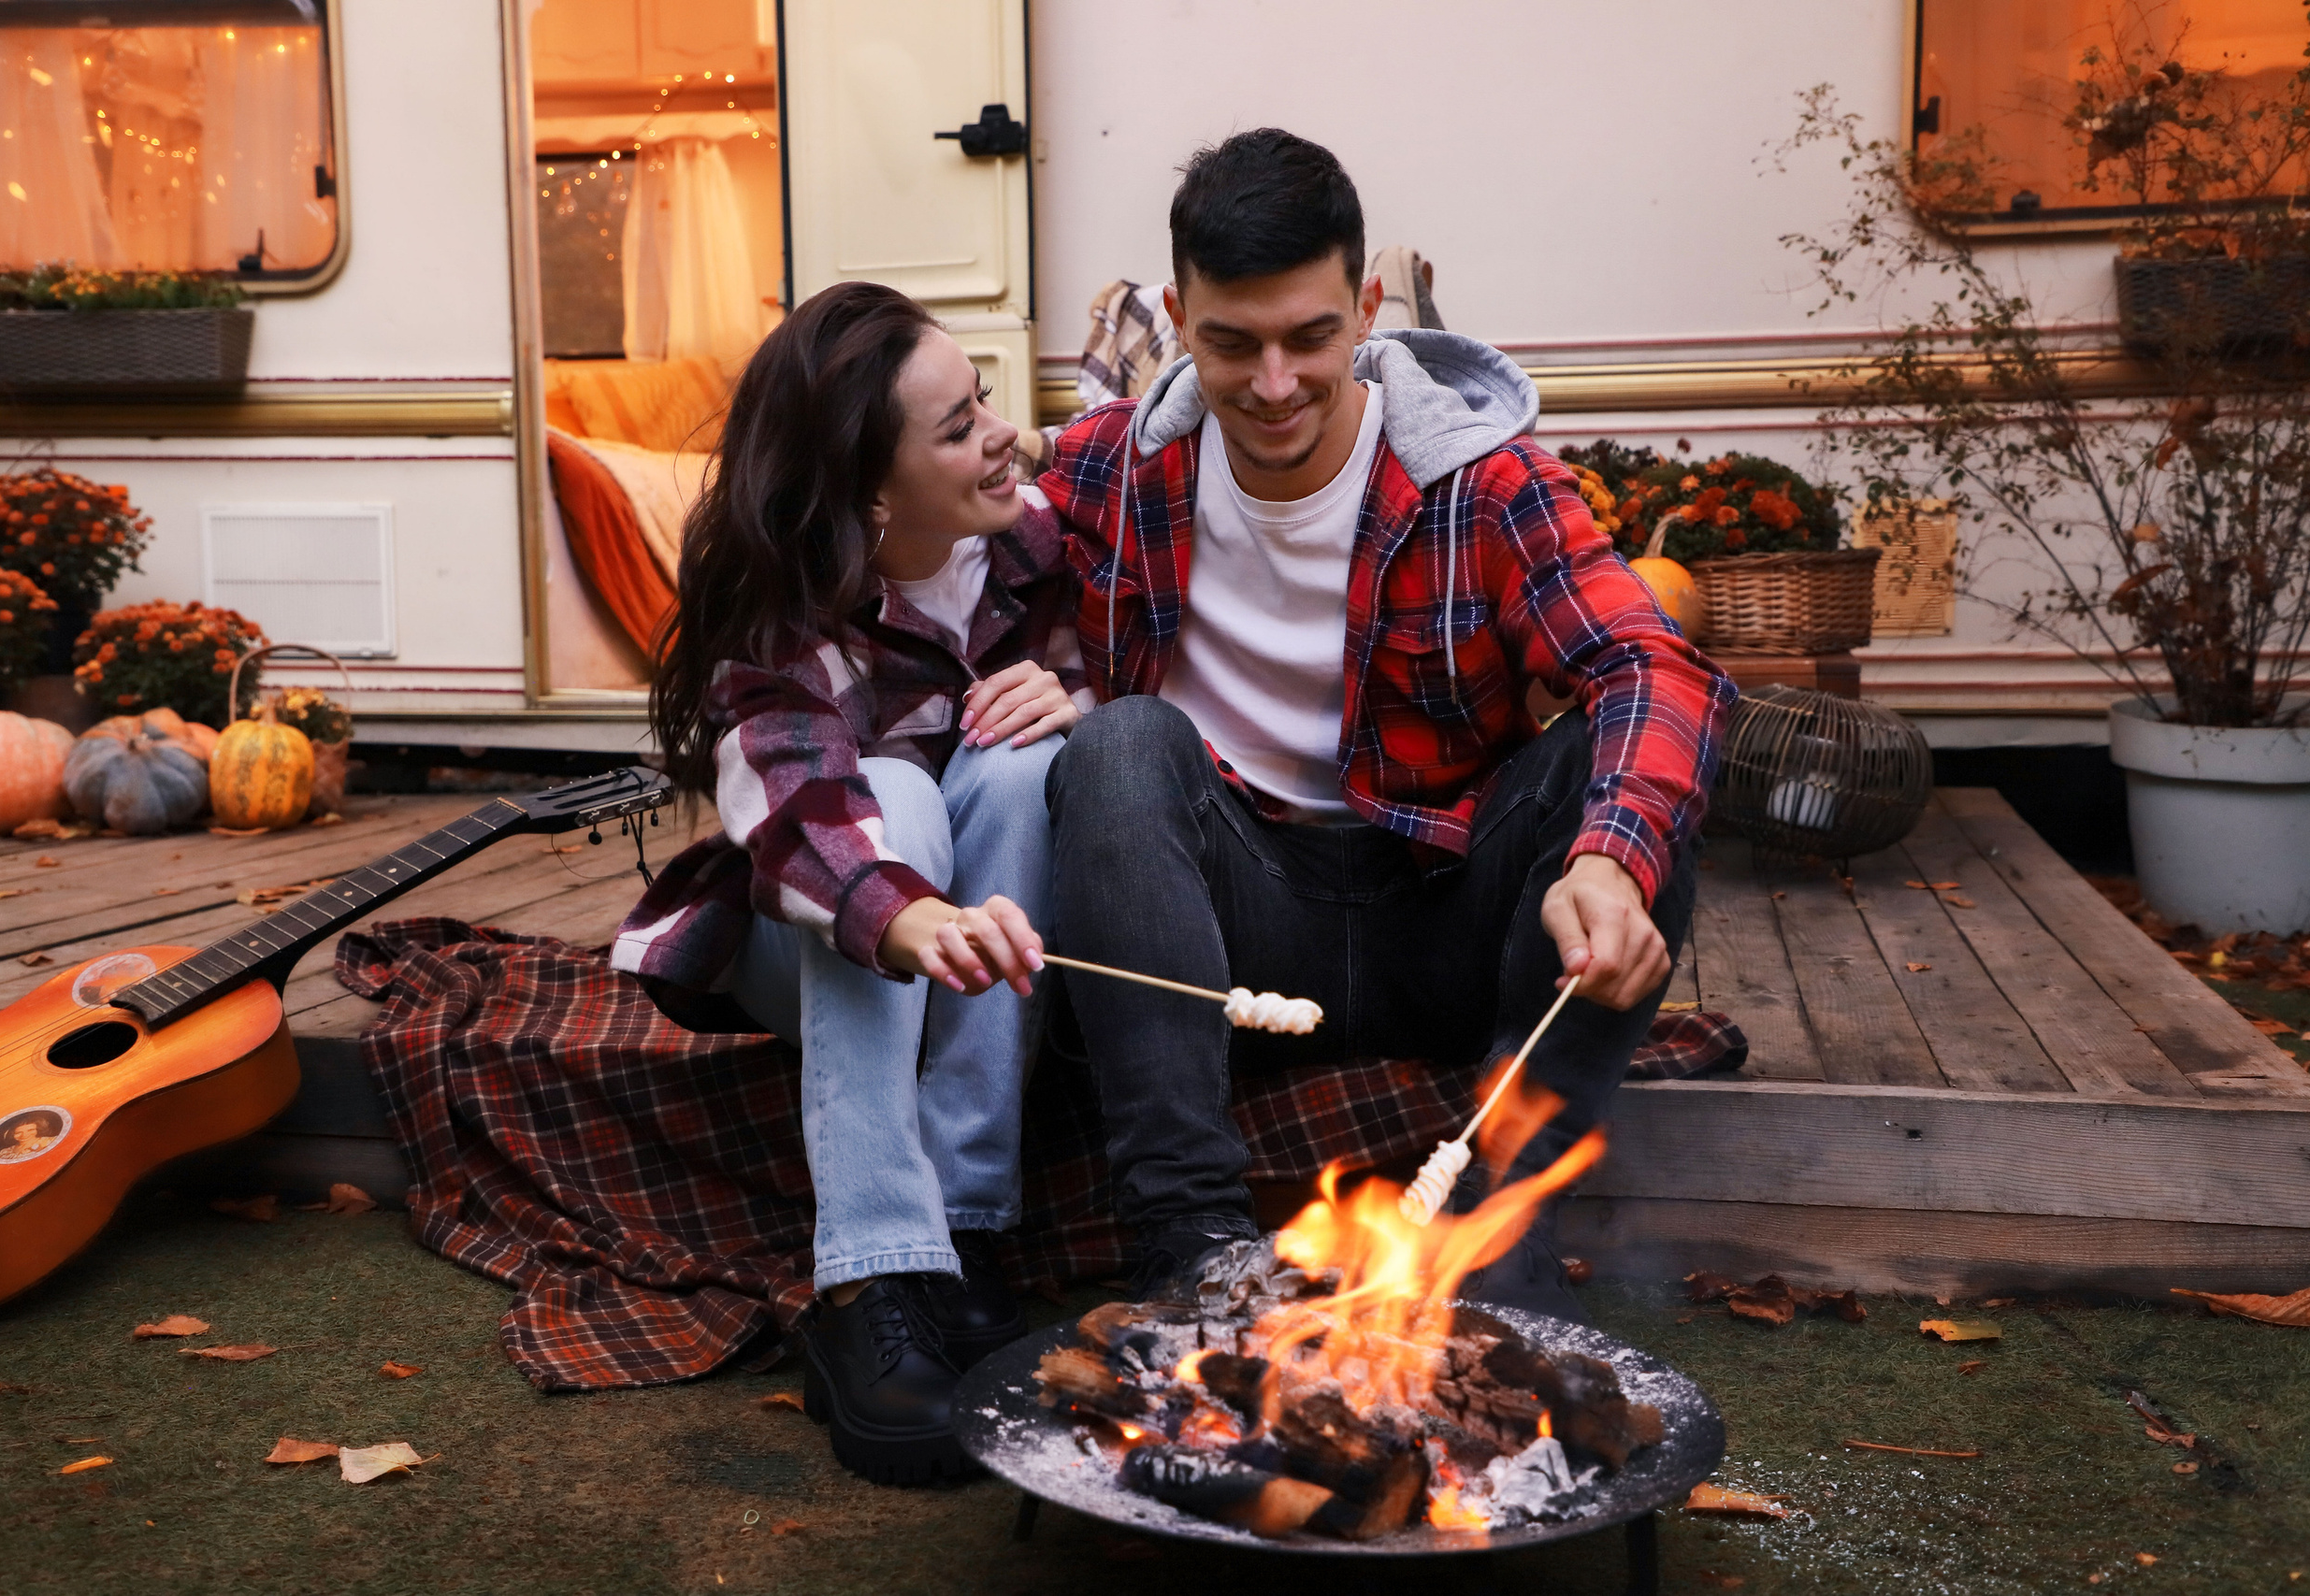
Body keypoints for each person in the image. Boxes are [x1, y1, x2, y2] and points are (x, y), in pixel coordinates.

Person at [1034, 130, 1735, 1316]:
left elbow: (1653, 666)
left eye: (1310, 338)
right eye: (1230, 343)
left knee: (1620, 788)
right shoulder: (1107, 472)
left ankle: (1495, 1234)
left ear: (1364, 307)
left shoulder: (1484, 481)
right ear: (1174, 313)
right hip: (1230, 934)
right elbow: (925, 576)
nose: (1273, 385)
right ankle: (1189, 1246)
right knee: (1114, 747)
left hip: (1443, 910)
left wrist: (1610, 864)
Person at [612, 280, 1087, 1485]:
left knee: (1027, 764)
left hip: (979, 933)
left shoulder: (1035, 549)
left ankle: (968, 1235)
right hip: (816, 936)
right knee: (900, 795)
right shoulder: (787, 614)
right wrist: (899, 908)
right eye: (958, 427)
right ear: (874, 495)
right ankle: (873, 1272)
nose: (1000, 435)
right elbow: (795, 810)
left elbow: (1155, 675)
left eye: (981, 399)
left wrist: (1083, 702)